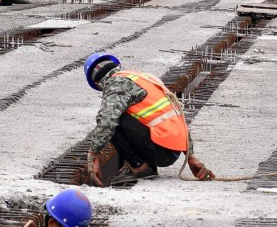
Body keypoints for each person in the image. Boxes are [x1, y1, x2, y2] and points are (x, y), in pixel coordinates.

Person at [83, 52, 214, 186]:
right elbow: (177, 114)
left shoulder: (116, 84)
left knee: (111, 117)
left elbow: (107, 121)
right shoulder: (144, 78)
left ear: (97, 83)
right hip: (173, 149)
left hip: (159, 150)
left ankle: (139, 165)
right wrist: (191, 156)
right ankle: (145, 164)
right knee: (121, 113)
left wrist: (93, 155)